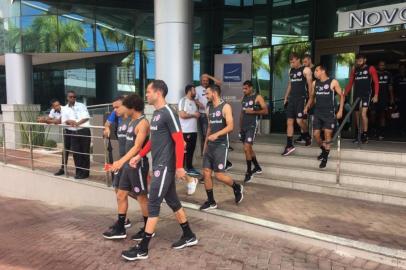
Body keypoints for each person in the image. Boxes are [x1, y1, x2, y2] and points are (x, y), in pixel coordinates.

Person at [121, 80, 197, 261]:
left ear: (159, 92)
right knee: (173, 202)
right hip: (159, 166)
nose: (146, 94)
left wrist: (179, 166)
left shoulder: (169, 112)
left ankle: (143, 248)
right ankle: (189, 235)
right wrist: (139, 156)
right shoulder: (156, 114)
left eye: (148, 91)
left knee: (153, 203)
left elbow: (179, 141)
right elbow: (152, 141)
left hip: (164, 168)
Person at [102, 94, 150, 241]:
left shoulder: (142, 123)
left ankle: (148, 228)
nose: (114, 110)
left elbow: (137, 147)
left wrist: (120, 162)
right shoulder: (130, 122)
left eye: (118, 106)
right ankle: (121, 227)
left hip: (136, 165)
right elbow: (109, 122)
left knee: (141, 197)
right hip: (125, 165)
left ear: (130, 107)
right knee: (120, 195)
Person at [200, 84, 244, 211]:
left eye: (207, 93)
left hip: (221, 145)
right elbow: (209, 127)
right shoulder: (209, 108)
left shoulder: (225, 107)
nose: (206, 96)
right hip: (210, 146)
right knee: (206, 173)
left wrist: (217, 135)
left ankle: (236, 187)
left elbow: (230, 126)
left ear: (214, 93)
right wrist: (205, 145)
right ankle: (211, 201)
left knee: (219, 175)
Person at [311, 64, 344, 168]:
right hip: (318, 112)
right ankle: (324, 151)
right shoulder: (314, 83)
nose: (315, 72)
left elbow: (342, 95)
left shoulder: (333, 81)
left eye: (316, 70)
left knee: (327, 134)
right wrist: (307, 106)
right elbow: (312, 97)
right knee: (316, 135)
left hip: (329, 113)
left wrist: (340, 110)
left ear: (323, 71)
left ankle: (325, 158)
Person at [282, 52, 314, 156]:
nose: (292, 64)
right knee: (289, 121)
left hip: (302, 99)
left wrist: (310, 100)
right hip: (292, 99)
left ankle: (307, 135)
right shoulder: (290, 70)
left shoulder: (306, 70)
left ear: (298, 60)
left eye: (293, 61)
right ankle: (289, 145)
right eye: (290, 62)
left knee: (300, 120)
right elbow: (290, 84)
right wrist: (286, 97)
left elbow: (310, 87)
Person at [344, 54, 379, 144]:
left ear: (365, 59)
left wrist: (376, 95)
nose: (358, 61)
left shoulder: (370, 68)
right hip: (356, 95)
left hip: (366, 94)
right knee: (357, 115)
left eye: (360, 60)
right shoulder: (354, 70)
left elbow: (376, 82)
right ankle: (358, 134)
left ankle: (365, 134)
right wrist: (345, 93)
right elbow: (350, 83)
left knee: (363, 114)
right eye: (357, 60)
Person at [239, 80, 268, 183]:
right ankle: (257, 167)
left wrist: (253, 111)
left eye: (246, 88)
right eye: (243, 88)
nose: (244, 90)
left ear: (251, 88)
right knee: (249, 148)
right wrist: (240, 128)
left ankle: (248, 172)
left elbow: (265, 111)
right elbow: (242, 114)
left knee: (246, 148)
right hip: (244, 127)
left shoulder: (258, 97)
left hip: (252, 126)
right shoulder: (243, 98)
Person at [60, 90, 91, 179]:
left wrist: (77, 123)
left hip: (84, 130)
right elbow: (63, 121)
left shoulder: (81, 105)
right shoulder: (64, 108)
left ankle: (85, 173)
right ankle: (78, 171)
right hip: (73, 132)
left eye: (74, 97)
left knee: (85, 152)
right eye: (71, 97)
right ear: (67, 98)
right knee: (76, 153)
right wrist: (68, 121)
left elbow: (86, 117)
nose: (73, 98)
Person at [37, 99, 69, 176]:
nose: (58, 107)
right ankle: (63, 169)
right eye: (56, 105)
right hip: (65, 131)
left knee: (76, 152)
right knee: (65, 151)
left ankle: (81, 171)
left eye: (59, 105)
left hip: (72, 131)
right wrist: (44, 119)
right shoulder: (52, 111)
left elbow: (58, 121)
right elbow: (49, 118)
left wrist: (45, 120)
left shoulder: (65, 109)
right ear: (52, 107)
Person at [195, 73, 222, 155]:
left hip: (213, 113)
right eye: (203, 80)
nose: (205, 82)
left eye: (206, 81)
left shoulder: (211, 88)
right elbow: (195, 99)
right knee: (205, 133)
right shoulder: (197, 88)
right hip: (203, 114)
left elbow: (219, 82)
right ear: (200, 81)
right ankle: (206, 152)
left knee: (214, 131)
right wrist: (199, 104)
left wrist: (208, 76)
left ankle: (213, 150)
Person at [178, 84, 200, 176]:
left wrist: (196, 114)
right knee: (184, 151)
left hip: (193, 131)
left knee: (191, 150)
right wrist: (194, 115)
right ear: (189, 91)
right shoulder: (183, 101)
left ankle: (189, 168)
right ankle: (183, 169)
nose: (195, 92)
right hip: (185, 131)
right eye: (194, 90)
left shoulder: (194, 102)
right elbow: (182, 115)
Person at [371, 61, 394, 140]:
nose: (382, 66)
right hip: (374, 98)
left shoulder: (388, 74)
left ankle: (381, 132)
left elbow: (390, 87)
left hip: (384, 98)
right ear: (378, 65)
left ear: (385, 66)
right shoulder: (374, 74)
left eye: (383, 65)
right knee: (373, 114)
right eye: (380, 65)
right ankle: (374, 130)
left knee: (382, 114)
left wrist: (391, 98)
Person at [393, 63, 406, 134]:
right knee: (397, 115)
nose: (402, 69)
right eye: (401, 68)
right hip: (399, 99)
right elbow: (393, 88)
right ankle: (399, 129)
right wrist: (394, 97)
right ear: (399, 69)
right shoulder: (396, 77)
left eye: (403, 68)